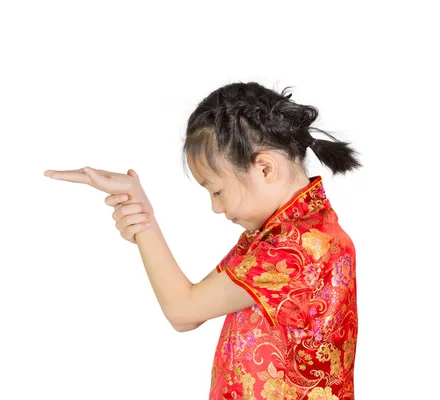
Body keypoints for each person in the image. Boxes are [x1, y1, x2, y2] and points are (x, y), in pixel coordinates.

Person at [44, 81, 361, 399]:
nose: (215, 207)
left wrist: (144, 222)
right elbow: (187, 317)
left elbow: (183, 310)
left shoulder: (297, 247)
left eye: (217, 190)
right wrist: (142, 219)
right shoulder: (285, 234)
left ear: (264, 168)